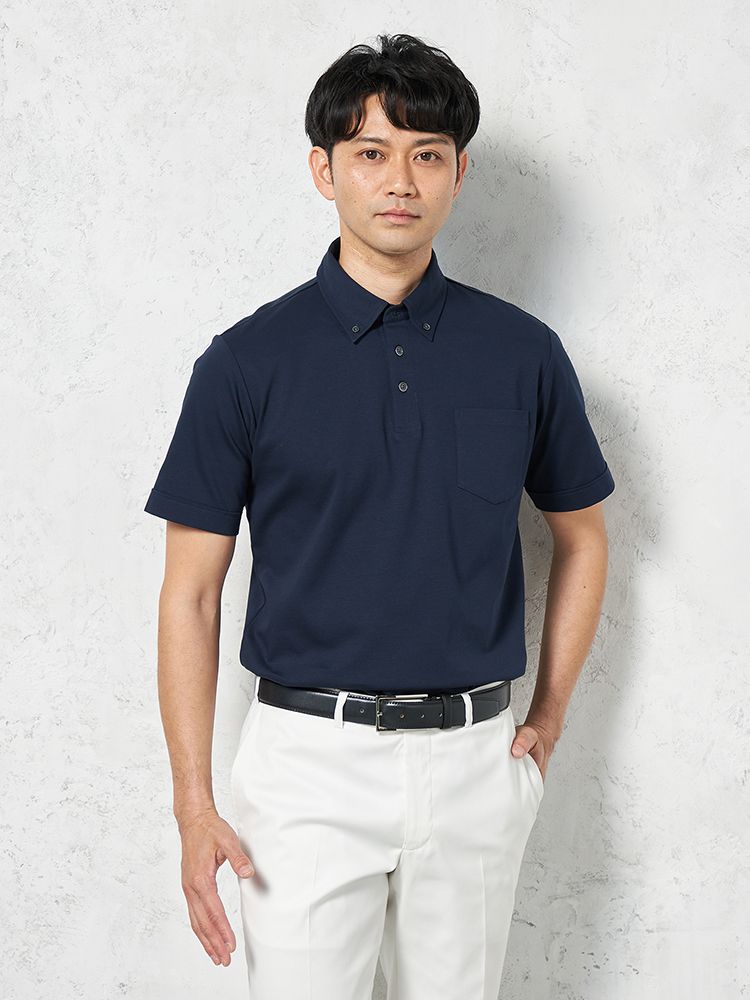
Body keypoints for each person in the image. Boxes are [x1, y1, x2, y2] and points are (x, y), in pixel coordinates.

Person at [144, 31, 615, 1000]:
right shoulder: (245, 362)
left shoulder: (523, 353)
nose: (400, 180)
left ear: (458, 173)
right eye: (371, 152)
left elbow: (583, 535)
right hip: (306, 768)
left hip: (476, 761)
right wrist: (193, 803)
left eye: (427, 154)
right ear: (325, 170)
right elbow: (190, 595)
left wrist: (550, 716)